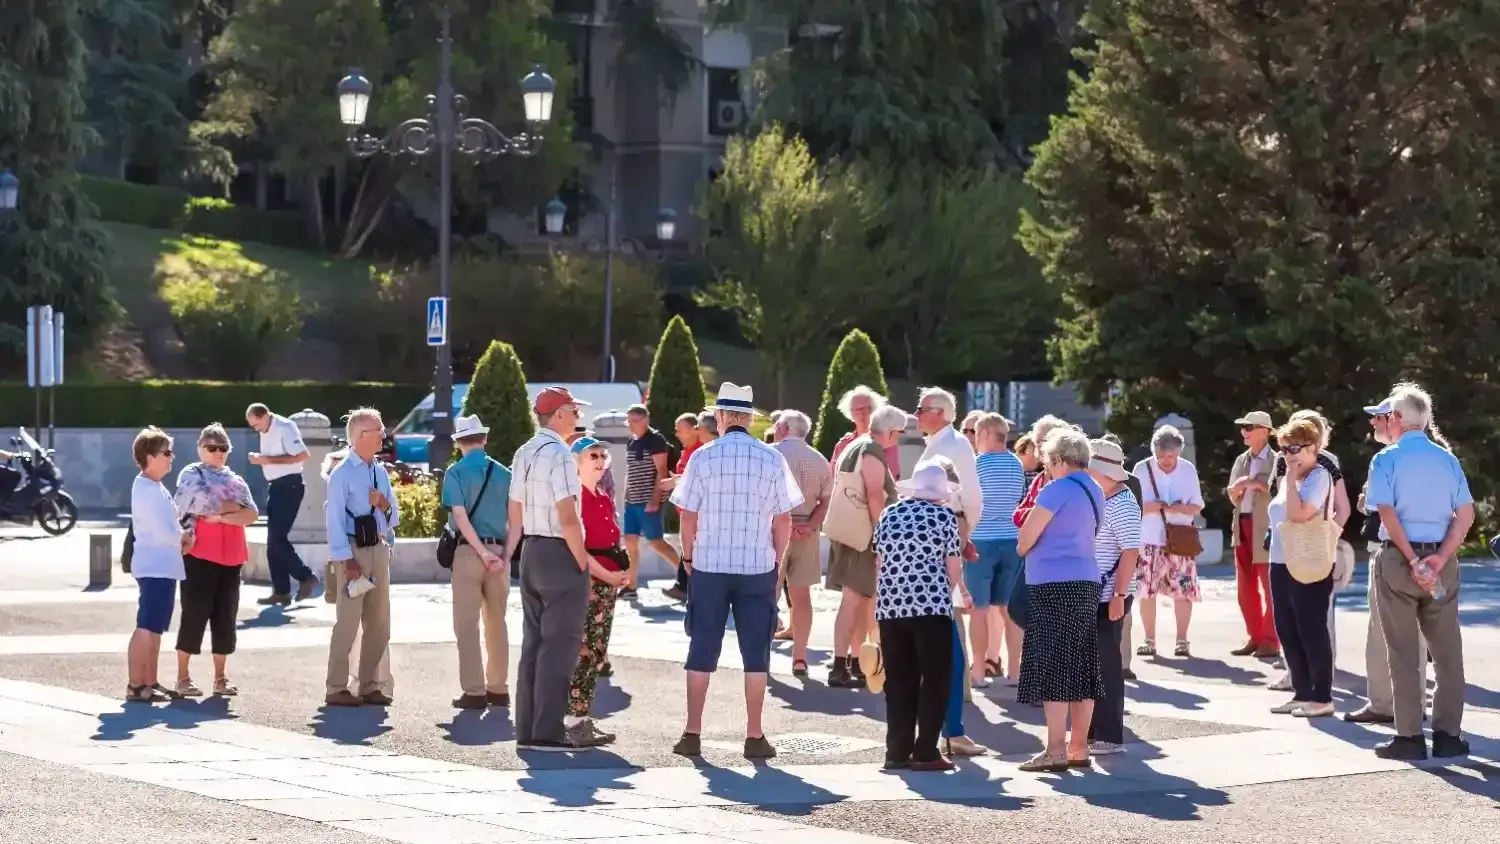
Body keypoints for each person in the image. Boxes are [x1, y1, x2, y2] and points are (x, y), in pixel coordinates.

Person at [669, 383, 803, 760]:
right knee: (756, 653)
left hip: (709, 566)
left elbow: (688, 517)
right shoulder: (771, 458)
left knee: (702, 648)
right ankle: (754, 736)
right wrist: (775, 563)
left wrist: (689, 558)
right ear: (749, 418)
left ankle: (692, 733)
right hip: (756, 566)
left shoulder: (702, 457)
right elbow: (784, 519)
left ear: (721, 417)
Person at [1364, 384, 1473, 760]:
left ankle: (1409, 737)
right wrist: (1439, 559)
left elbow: (1387, 512)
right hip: (1442, 560)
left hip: (1398, 560)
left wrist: (1412, 559)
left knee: (1403, 652)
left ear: (1396, 418)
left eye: (1386, 416)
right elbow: (1466, 514)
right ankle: (1449, 735)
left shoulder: (1386, 459)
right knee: (1448, 652)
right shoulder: (1447, 459)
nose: (1382, 422)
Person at [505, 386, 606, 750]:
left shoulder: (524, 451)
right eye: (575, 412)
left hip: (532, 550)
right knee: (560, 646)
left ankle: (528, 730)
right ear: (559, 414)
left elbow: (514, 510)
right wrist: (581, 562)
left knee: (533, 644)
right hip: (559, 552)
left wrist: (512, 552)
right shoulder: (561, 454)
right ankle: (547, 732)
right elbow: (567, 516)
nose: (578, 417)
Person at [1015, 429, 1105, 772]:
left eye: (1048, 462)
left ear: (1058, 460)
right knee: (1082, 665)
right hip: (1086, 580)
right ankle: (1078, 747)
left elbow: (1026, 539)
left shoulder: (1056, 489)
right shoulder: (1094, 489)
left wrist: (1025, 546)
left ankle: (1054, 750)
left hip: (1053, 583)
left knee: (1053, 666)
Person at [873, 462, 969, 772]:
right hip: (930, 605)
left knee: (899, 679)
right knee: (936, 677)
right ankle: (926, 750)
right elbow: (952, 566)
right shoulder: (943, 516)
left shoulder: (889, 514)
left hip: (891, 606)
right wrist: (947, 591)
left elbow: (879, 561)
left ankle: (897, 751)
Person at [1345, 409, 1428, 725]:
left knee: (1394, 633)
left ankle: (1393, 705)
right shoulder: (1415, 456)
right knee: (1396, 632)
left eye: (1379, 417)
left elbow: (1373, 503)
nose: (1373, 422)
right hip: (1403, 549)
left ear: (1396, 420)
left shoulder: (1392, 459)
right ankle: (1397, 704)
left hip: (1396, 551)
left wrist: (1369, 500)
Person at [172, 423, 258, 698]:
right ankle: (182, 677)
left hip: (232, 556)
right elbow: (195, 504)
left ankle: (221, 678)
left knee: (226, 618)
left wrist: (220, 516)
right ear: (200, 448)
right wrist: (233, 508)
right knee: (194, 615)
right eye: (212, 448)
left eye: (223, 448)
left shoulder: (236, 479)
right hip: (200, 554)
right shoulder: (191, 473)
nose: (218, 452)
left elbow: (251, 513)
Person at [323, 408, 400, 708]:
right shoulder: (341, 473)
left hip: (378, 548)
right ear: (360, 436)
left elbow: (394, 516)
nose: (383, 435)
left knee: (379, 622)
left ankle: (369, 685)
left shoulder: (379, 471)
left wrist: (383, 504)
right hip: (353, 551)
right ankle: (335, 687)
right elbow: (333, 520)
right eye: (378, 430)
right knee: (348, 622)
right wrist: (346, 560)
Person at [1264, 417, 1337, 719]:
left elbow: (1299, 514)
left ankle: (1322, 697)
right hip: (1281, 560)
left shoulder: (1319, 476)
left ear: (1313, 447)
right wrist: (1290, 478)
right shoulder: (1288, 478)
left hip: (1310, 561)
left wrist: (1292, 479)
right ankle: (1302, 692)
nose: (1288, 454)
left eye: (1295, 448)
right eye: (1283, 448)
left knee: (1311, 628)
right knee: (1287, 628)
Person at [825, 404, 902, 688]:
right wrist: (883, 536)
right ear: (891, 431)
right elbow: (874, 496)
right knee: (854, 599)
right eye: (899, 433)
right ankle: (840, 665)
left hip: (851, 533)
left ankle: (854, 662)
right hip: (864, 537)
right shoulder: (871, 450)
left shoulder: (856, 445)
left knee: (860, 600)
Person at [443, 414, 514, 711]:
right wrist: (504, 556)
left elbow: (459, 516)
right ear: (484, 439)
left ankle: (473, 692)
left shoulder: (455, 472)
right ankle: (498, 689)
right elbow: (515, 521)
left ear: (459, 443)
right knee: (497, 622)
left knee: (467, 624)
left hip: (468, 552)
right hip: (500, 553)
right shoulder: (505, 474)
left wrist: (482, 553)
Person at [567, 436, 627, 743]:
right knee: (584, 651)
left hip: (607, 585)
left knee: (597, 652)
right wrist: (608, 575)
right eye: (593, 456)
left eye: (603, 455)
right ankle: (572, 721)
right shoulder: (575, 497)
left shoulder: (603, 495)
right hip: (588, 582)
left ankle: (582, 717)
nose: (600, 461)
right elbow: (579, 548)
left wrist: (620, 571)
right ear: (576, 461)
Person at [1085, 438, 1140, 755]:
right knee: (1095, 663)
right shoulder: (1105, 497)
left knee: (1106, 664)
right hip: (1099, 593)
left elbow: (1131, 552)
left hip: (1110, 596)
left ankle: (1108, 736)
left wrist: (1119, 594)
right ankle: (1094, 732)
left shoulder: (1122, 503)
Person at [1132, 424, 1204, 658]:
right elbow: (1133, 506)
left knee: (1183, 590)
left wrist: (1181, 508)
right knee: (1146, 590)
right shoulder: (1142, 469)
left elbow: (1197, 505)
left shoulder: (1187, 469)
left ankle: (1182, 640)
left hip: (1180, 539)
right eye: (1161, 456)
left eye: (1170, 456)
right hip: (1149, 538)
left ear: (1178, 453)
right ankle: (1149, 640)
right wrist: (1155, 506)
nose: (1165, 461)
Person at [771, 410, 832, 677]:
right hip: (808, 530)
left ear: (784, 428)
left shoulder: (770, 454)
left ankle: (760, 654)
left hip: (773, 529)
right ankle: (800, 657)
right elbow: (826, 501)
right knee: (801, 596)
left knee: (768, 593)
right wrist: (809, 525)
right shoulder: (819, 459)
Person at [126, 427, 183, 703]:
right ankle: (136, 685)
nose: (172, 457)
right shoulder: (147, 488)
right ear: (150, 457)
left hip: (163, 566)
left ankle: (150, 681)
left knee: (156, 627)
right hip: (154, 566)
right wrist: (185, 538)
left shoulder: (154, 486)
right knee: (147, 626)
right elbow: (162, 531)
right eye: (167, 452)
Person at [968, 412, 1026, 686]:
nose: (975, 440)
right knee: (1008, 609)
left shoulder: (977, 464)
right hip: (1011, 539)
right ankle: (1015, 671)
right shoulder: (1016, 464)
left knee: (979, 609)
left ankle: (979, 671)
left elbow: (969, 502)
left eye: (977, 434)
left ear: (986, 434)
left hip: (980, 540)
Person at [245, 403, 319, 605]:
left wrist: (265, 460)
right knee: (273, 542)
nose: (256, 429)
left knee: (277, 539)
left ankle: (306, 577)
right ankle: (281, 591)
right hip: (277, 486)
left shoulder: (285, 427)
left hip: (289, 486)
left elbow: (302, 455)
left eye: (257, 424)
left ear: (266, 415)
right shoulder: (266, 428)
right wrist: (263, 460)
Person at [1226, 410, 1277, 657]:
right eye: (1243, 427)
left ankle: (1270, 641)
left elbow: (1281, 491)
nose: (1243, 432)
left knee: (1270, 587)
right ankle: (1255, 638)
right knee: (1245, 588)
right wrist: (1236, 490)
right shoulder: (1241, 460)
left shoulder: (1278, 460)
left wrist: (1255, 484)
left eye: (1249, 427)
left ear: (1264, 432)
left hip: (1265, 528)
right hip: (1242, 525)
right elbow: (1232, 494)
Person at [621, 404, 680, 601]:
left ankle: (687, 577)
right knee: (630, 541)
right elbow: (630, 473)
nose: (631, 425)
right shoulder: (632, 442)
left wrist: (655, 500)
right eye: (628, 421)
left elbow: (661, 471)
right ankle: (631, 586)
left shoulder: (655, 441)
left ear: (645, 420)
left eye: (634, 421)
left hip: (648, 501)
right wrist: (626, 496)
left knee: (656, 542)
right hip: (632, 501)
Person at [830, 385, 902, 480]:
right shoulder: (842, 445)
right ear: (850, 413)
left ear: (875, 410)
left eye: (866, 408)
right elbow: (832, 477)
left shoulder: (889, 441)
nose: (862, 413)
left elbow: (893, 475)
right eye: (857, 409)